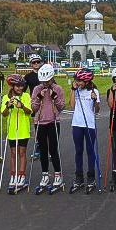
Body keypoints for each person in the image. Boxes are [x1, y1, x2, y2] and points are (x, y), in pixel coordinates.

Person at [31, 63, 66, 193]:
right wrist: (39, 97)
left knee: (53, 149)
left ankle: (58, 174)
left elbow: (61, 107)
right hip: (40, 122)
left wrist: (54, 97)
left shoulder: (58, 88)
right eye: (43, 82)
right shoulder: (36, 89)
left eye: (47, 81)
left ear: (51, 79)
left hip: (53, 121)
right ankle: (45, 175)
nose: (45, 84)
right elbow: (33, 108)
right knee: (43, 150)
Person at [68, 68, 101, 193]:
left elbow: (96, 110)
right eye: (76, 80)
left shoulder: (94, 91)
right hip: (77, 124)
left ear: (87, 81)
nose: (77, 82)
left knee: (90, 150)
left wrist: (94, 100)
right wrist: (73, 89)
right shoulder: (76, 90)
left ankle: (91, 177)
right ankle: (79, 177)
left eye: (79, 81)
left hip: (90, 125)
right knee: (78, 151)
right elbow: (71, 105)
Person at [1, 74, 33, 193]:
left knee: (22, 152)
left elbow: (30, 111)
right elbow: (3, 114)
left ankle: (22, 175)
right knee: (13, 153)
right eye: (17, 86)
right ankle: (13, 175)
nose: (20, 88)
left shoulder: (26, 96)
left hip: (23, 129)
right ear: (12, 86)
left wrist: (22, 106)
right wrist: (8, 106)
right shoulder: (6, 97)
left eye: (21, 86)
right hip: (12, 130)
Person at [24, 54, 44, 159]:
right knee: (37, 127)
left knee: (46, 126)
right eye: (34, 62)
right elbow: (22, 90)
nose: (36, 64)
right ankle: (38, 148)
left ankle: (47, 148)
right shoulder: (28, 76)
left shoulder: (45, 73)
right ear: (31, 64)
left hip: (45, 103)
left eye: (38, 62)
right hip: (34, 103)